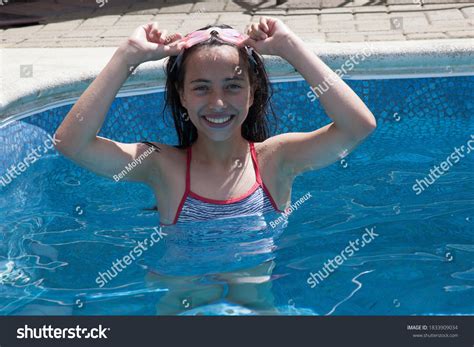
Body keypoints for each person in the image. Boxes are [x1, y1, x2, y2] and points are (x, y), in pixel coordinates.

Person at [54, 17, 376, 314]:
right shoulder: (164, 166)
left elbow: (358, 126)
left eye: (233, 86)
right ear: (181, 94)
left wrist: (289, 46)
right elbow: (71, 143)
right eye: (201, 87)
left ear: (253, 93)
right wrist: (127, 57)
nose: (217, 103)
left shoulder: (276, 161)